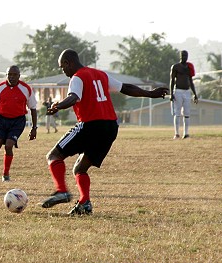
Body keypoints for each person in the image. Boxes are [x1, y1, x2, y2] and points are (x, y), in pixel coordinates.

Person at [40, 49, 168, 215]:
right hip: (111, 127)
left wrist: (58, 105)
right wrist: (150, 94)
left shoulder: (77, 77)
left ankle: (61, 191)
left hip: (91, 124)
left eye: (62, 67)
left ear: (68, 62)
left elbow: (74, 97)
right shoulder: (100, 75)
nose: (62, 71)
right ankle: (84, 203)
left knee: (54, 156)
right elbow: (126, 88)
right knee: (80, 169)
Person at [170, 50, 198, 139]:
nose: (185, 57)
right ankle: (176, 133)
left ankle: (186, 134)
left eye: (186, 55)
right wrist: (171, 93)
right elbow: (172, 80)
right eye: (183, 55)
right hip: (178, 91)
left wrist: (195, 94)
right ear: (180, 56)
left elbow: (191, 81)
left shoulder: (189, 67)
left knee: (187, 113)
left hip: (187, 91)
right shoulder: (175, 67)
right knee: (177, 113)